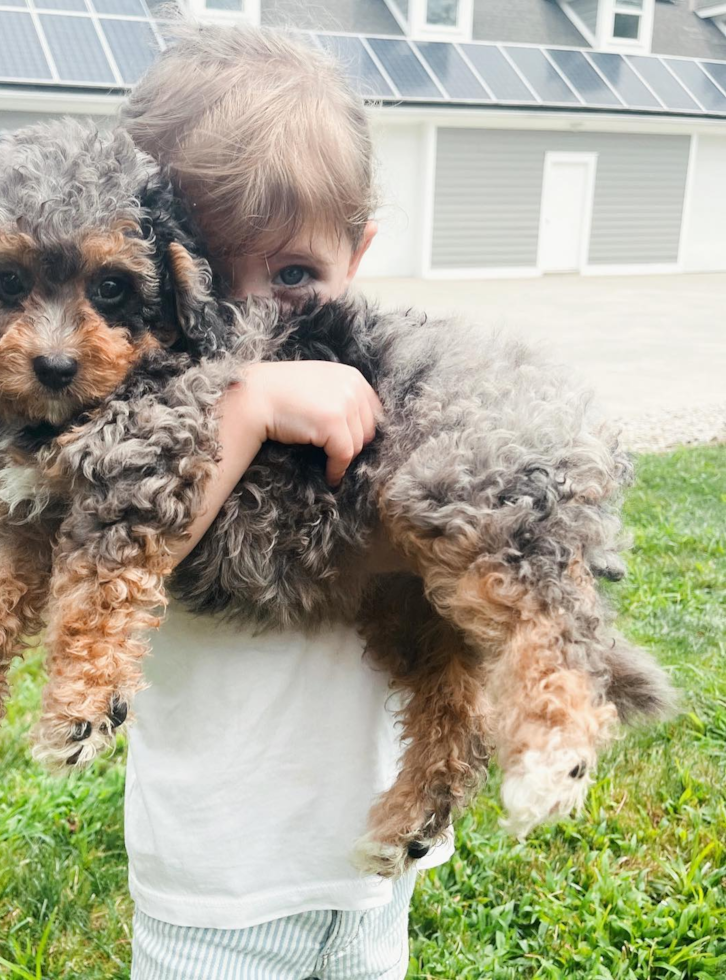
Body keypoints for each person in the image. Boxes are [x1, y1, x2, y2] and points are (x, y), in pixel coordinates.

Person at [119, 22, 453, 980]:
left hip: (366, 864)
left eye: (294, 275)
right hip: (221, 883)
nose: (254, 321)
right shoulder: (145, 414)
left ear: (359, 253)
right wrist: (250, 404)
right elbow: (126, 545)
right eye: (207, 279)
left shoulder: (379, 384)